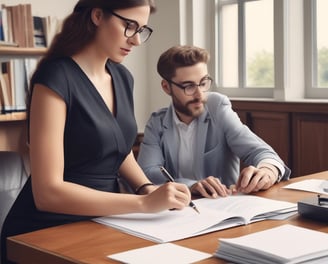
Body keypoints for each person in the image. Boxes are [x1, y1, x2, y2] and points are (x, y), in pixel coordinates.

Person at [1, 2, 192, 263]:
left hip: (103, 220)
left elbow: (117, 147)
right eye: (129, 26)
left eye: (142, 29)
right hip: (44, 231)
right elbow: (47, 193)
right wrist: (143, 204)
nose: (136, 40)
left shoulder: (123, 77)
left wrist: (145, 187)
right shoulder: (56, 77)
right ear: (98, 15)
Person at [137, 45, 291, 199]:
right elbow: (147, 172)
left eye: (203, 83)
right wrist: (190, 185)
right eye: (189, 86)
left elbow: (260, 152)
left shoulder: (218, 107)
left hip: (225, 206)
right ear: (166, 87)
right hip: (177, 211)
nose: (200, 94)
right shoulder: (157, 122)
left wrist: (268, 170)